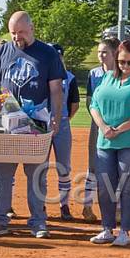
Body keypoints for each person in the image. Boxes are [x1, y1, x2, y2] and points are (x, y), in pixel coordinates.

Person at [0, 12, 66, 239]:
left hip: (36, 124)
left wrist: (55, 117)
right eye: (13, 33)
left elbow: (56, 89)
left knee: (36, 175)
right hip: (5, 121)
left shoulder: (48, 53)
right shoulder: (2, 51)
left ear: (32, 28)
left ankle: (38, 222)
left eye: (21, 33)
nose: (17, 37)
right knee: (2, 174)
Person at [87, 39, 130, 246]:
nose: (125, 67)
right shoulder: (107, 78)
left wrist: (118, 129)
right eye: (122, 62)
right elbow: (94, 104)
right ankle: (107, 228)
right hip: (105, 141)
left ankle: (125, 230)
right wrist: (104, 127)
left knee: (127, 187)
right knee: (105, 187)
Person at [77, 37, 118, 223]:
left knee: (118, 166)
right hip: (98, 124)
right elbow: (89, 101)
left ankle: (117, 208)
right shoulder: (94, 73)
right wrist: (101, 122)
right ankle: (87, 205)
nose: (101, 55)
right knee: (94, 164)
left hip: (119, 125)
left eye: (105, 52)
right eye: (99, 51)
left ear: (115, 53)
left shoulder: (122, 72)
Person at [52, 44, 81, 220]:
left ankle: (64, 205)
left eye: (57, 56)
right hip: (42, 126)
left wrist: (65, 120)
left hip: (62, 124)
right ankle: (40, 206)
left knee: (63, 167)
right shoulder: (40, 75)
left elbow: (75, 104)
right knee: (38, 167)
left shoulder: (69, 77)